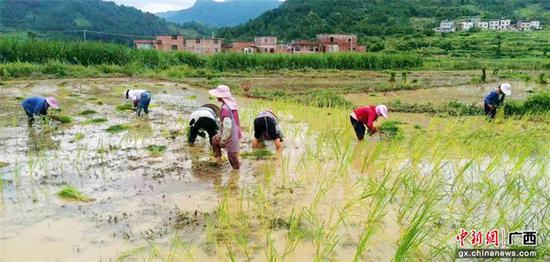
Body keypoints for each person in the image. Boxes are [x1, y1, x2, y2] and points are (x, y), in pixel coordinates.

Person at [209, 85, 242, 170]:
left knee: (232, 159)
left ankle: (235, 176)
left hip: (230, 134)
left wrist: (223, 139)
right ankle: (219, 162)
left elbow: (227, 126)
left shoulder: (225, 109)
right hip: (235, 132)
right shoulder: (231, 104)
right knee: (214, 140)